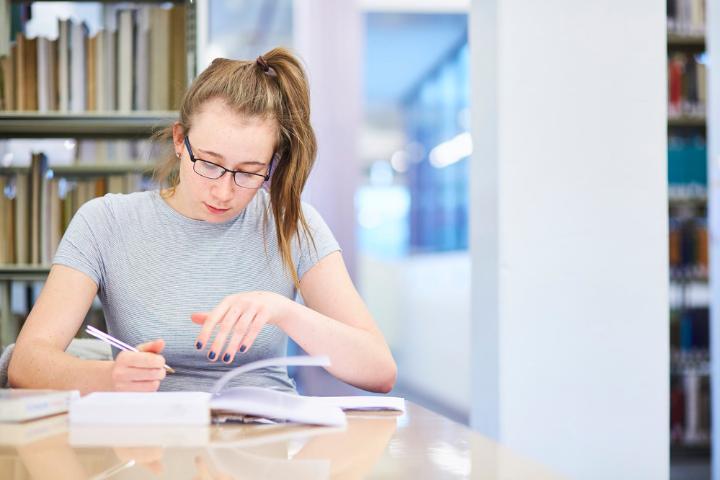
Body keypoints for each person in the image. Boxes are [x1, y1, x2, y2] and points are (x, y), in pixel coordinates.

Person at [8, 48, 397, 395]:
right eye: (209, 163)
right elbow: (26, 364)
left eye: (249, 172)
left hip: (261, 449)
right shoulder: (105, 221)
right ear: (180, 141)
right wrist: (109, 377)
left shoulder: (292, 224)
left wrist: (283, 310)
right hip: (149, 451)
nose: (224, 191)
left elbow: (379, 370)